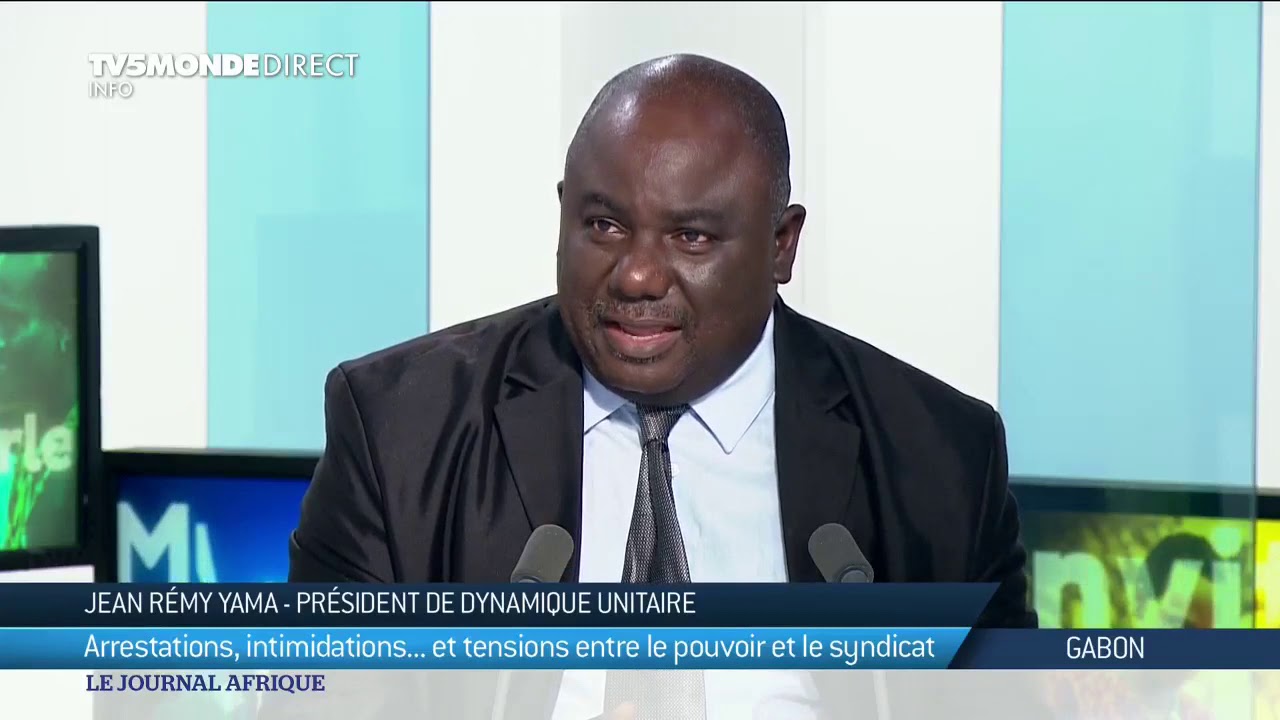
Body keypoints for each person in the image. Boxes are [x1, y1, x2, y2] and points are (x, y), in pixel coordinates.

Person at [287, 54, 1036, 719]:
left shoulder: (941, 461)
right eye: (605, 226)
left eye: (692, 237)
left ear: (781, 245)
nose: (638, 276)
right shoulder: (398, 429)